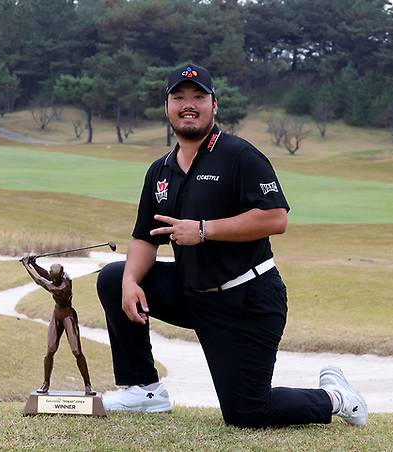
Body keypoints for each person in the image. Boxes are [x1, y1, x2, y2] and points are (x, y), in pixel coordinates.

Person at [96, 63, 367, 427]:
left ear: (214, 105)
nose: (187, 105)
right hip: (193, 294)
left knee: (247, 413)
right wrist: (131, 282)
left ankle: (335, 397)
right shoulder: (159, 170)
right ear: (167, 106)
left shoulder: (239, 155)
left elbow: (275, 218)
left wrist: (204, 230)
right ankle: (145, 391)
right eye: (179, 97)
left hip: (246, 299)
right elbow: (146, 236)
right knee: (114, 279)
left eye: (198, 97)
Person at [21, 255, 94, 396]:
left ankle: (88, 385)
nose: (53, 279)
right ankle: (45, 383)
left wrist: (26, 265)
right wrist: (35, 264)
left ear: (60, 276)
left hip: (68, 316)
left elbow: (39, 280)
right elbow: (47, 276)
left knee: (76, 351)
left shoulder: (62, 287)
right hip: (57, 314)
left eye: (54, 278)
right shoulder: (59, 276)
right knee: (50, 350)